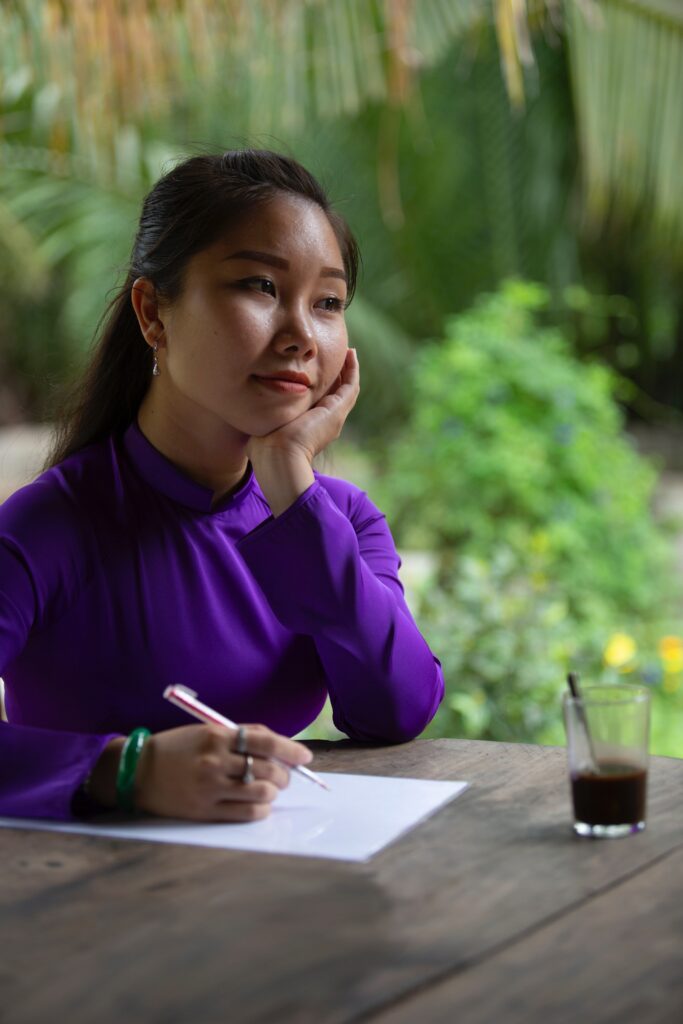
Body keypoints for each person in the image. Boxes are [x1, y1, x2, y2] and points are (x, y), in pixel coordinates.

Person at [0, 149, 444, 823]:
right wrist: (127, 770)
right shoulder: (45, 530)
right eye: (260, 286)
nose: (301, 336)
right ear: (153, 313)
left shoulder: (340, 520)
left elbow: (395, 711)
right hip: (80, 883)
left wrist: (292, 484)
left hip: (281, 870)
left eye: (328, 303)